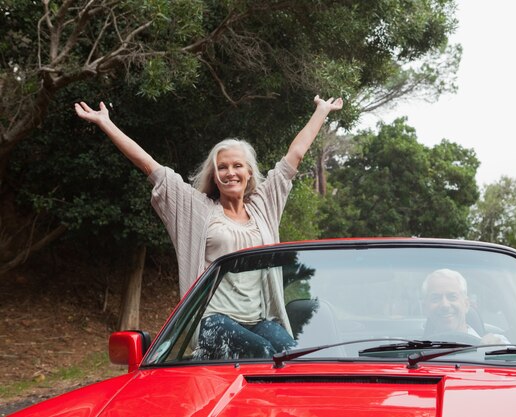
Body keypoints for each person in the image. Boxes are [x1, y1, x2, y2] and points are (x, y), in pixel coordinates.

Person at [74, 95, 343, 359]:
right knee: (261, 354)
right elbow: (151, 167)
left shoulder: (264, 205)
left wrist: (322, 110)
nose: (230, 172)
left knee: (294, 358)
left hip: (258, 319)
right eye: (222, 167)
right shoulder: (198, 210)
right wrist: (105, 122)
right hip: (211, 322)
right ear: (214, 176)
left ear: (249, 172)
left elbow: (293, 157)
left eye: (237, 166)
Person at [421, 268, 508, 344]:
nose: (445, 305)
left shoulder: (496, 343)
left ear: (466, 304)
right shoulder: (412, 352)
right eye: (436, 298)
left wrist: (493, 353)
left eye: (452, 297)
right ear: (425, 308)